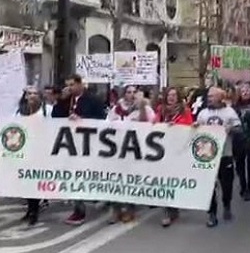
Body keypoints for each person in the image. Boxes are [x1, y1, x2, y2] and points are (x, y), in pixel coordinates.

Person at [52, 74, 106, 226]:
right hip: (70, 146)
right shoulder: (66, 100)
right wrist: (61, 100)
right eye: (68, 85)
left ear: (80, 84)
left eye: (72, 85)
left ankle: (102, 198)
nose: (70, 88)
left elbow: (101, 119)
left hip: (88, 145)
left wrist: (82, 120)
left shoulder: (93, 100)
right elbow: (55, 117)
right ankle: (79, 210)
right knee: (75, 177)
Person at [106, 85, 154, 223]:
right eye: (129, 92)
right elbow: (107, 124)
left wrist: (143, 107)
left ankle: (130, 209)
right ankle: (116, 210)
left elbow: (149, 124)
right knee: (115, 181)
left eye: (134, 92)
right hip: (117, 150)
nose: (131, 94)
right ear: (124, 94)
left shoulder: (144, 108)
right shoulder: (116, 109)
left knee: (130, 181)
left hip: (135, 150)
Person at [195, 87, 242, 228]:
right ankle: (212, 213)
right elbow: (196, 132)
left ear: (220, 97)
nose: (209, 98)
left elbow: (239, 129)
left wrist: (230, 129)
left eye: (212, 96)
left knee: (226, 185)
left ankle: (226, 205)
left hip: (225, 154)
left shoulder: (229, 112)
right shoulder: (203, 113)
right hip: (207, 156)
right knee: (209, 186)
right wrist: (196, 127)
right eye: (208, 96)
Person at [155, 87, 193, 226]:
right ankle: (168, 211)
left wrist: (175, 126)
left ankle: (175, 207)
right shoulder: (161, 110)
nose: (171, 98)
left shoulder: (185, 110)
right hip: (163, 150)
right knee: (165, 181)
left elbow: (189, 127)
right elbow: (153, 125)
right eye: (169, 95)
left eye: (174, 95)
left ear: (178, 97)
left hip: (178, 150)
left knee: (175, 180)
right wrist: (163, 126)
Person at [15, 86, 52, 225]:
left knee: (36, 181)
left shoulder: (47, 111)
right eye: (29, 93)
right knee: (27, 182)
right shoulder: (20, 112)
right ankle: (30, 209)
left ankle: (34, 212)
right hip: (25, 151)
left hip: (41, 151)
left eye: (35, 93)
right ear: (25, 96)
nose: (32, 96)